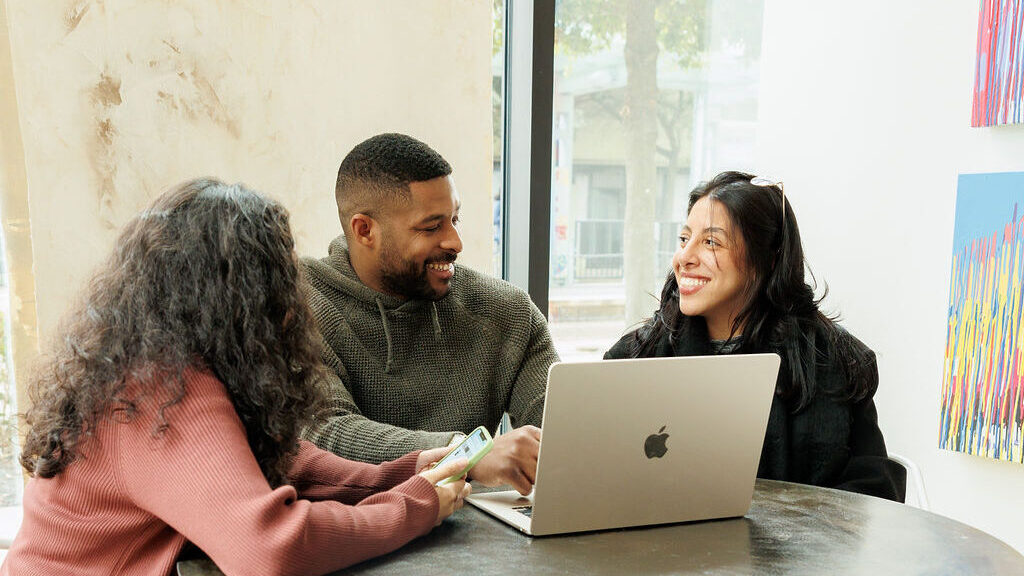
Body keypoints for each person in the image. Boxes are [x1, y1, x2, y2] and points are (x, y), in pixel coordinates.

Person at [2, 179, 471, 576]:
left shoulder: (158, 366)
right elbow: (269, 548)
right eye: (280, 272)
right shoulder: (160, 390)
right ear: (244, 293)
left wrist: (408, 472)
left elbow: (294, 465)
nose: (292, 288)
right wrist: (414, 507)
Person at [605, 171, 905, 502]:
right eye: (684, 239)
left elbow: (873, 493)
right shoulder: (634, 356)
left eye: (711, 242)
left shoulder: (835, 360)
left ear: (766, 259)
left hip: (798, 550)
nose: (684, 258)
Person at [301, 133, 558, 495]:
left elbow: (560, 437)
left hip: (479, 535)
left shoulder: (507, 312)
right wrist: (467, 455)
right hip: (361, 537)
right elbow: (324, 431)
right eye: (431, 226)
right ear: (365, 230)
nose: (455, 242)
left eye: (455, 219)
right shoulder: (300, 305)